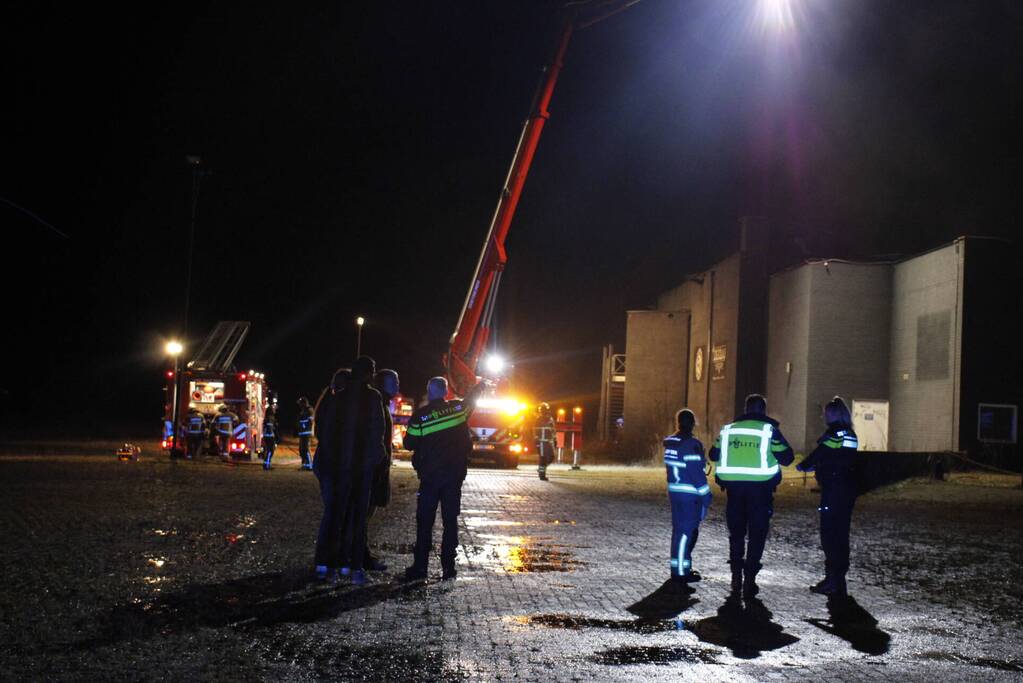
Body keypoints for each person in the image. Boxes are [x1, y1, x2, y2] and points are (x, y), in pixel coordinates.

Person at [708, 393, 794, 598]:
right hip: (760, 493)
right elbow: (787, 457)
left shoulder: (728, 430)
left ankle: (736, 577)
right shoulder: (769, 430)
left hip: (734, 492)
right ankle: (750, 580)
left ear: (746, 409)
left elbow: (713, 454)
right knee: (757, 535)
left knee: (736, 535)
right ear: (763, 410)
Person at [403, 376, 485, 581]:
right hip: (453, 477)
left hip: (430, 478)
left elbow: (408, 444)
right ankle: (449, 568)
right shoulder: (458, 409)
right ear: (446, 392)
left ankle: (420, 568)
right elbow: (472, 400)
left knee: (424, 523)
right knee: (450, 521)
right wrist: (480, 386)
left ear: (429, 393)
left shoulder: (420, 416)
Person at [312, 358, 386, 585]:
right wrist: (375, 462)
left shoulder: (338, 397)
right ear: (367, 373)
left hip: (338, 467)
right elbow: (378, 433)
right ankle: (353, 569)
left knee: (335, 516)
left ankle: (327, 567)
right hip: (361, 469)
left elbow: (325, 433)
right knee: (357, 519)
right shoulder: (373, 397)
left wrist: (334, 461)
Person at [796, 397, 860, 596]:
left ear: (834, 414)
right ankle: (838, 579)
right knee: (841, 535)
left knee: (829, 535)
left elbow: (820, 454)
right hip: (846, 490)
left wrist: (803, 465)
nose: (824, 415)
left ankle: (832, 580)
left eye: (827, 412)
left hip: (833, 490)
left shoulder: (834, 434)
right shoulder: (850, 434)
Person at [664, 409, 712, 586]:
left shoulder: (672, 443)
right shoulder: (691, 445)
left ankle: (679, 569)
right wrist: (706, 495)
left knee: (679, 533)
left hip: (675, 493)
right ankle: (681, 574)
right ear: (692, 423)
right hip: (689, 495)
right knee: (687, 534)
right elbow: (695, 473)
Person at [534, 402, 556, 481]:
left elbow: (553, 430)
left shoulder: (550, 419)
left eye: (545, 410)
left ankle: (541, 470)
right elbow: (535, 431)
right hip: (541, 442)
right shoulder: (538, 419)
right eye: (543, 410)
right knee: (542, 459)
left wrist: (555, 439)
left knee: (552, 457)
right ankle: (542, 475)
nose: (544, 411)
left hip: (549, 442)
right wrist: (536, 442)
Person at [296, 396, 315, 470]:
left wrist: (303, 425)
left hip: (306, 433)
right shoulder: (303, 410)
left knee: (306, 449)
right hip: (302, 433)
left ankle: (309, 465)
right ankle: (304, 465)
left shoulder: (309, 410)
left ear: (304, 403)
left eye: (300, 404)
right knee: (302, 450)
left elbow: (310, 421)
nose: (299, 405)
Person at [261, 405, 280, 470]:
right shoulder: (270, 418)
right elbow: (270, 428)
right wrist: (274, 436)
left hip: (267, 436)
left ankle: (267, 464)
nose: (275, 410)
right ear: (271, 411)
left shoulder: (268, 418)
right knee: (270, 451)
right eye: (273, 409)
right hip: (270, 436)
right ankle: (266, 465)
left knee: (269, 450)